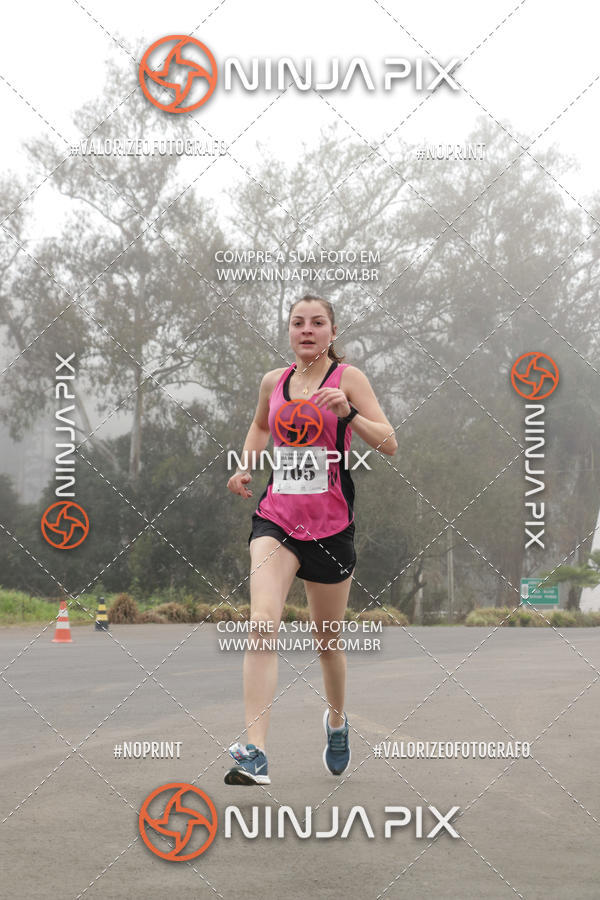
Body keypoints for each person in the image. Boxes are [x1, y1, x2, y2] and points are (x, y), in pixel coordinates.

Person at [224, 293, 397, 785]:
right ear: (289, 331)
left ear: (332, 332)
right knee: (262, 622)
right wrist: (245, 466)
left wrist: (348, 414)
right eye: (298, 322)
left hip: (330, 530)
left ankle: (337, 722)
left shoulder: (349, 380)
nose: (307, 330)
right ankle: (255, 752)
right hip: (276, 519)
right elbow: (260, 427)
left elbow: (389, 442)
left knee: (328, 644)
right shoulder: (273, 382)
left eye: (317, 323)